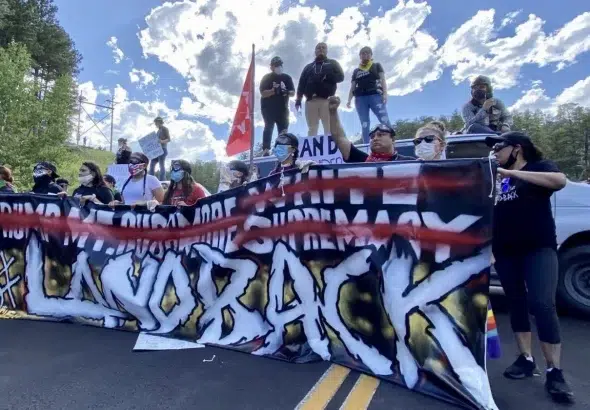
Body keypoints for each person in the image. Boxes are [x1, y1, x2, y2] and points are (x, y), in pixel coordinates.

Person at [488, 131, 573, 404]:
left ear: (517, 148)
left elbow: (560, 182)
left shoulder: (539, 168)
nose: (495, 153)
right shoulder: (500, 181)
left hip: (538, 248)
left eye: (499, 147)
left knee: (542, 304)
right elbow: (496, 213)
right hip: (505, 252)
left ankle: (554, 370)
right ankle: (525, 359)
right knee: (516, 302)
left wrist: (513, 174)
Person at [327, 96, 412, 163]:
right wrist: (333, 112)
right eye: (372, 137)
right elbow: (340, 138)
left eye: (380, 135)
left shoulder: (410, 162)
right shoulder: (362, 160)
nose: (374, 138)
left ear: (393, 140)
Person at [295, 42, 344, 136]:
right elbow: (301, 84)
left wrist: (327, 76)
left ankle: (330, 149)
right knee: (312, 128)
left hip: (327, 100)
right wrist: (298, 100)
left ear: (326, 50)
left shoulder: (332, 63)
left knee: (329, 127)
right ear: (315, 51)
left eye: (323, 47)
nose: (321, 49)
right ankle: (312, 150)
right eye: (318, 48)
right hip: (311, 101)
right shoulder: (308, 67)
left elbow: (341, 77)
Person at [346, 46, 391, 144]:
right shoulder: (356, 71)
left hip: (375, 95)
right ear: (360, 56)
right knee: (365, 123)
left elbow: (383, 80)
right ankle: (366, 145)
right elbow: (353, 86)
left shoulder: (376, 65)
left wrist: (385, 94)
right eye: (362, 53)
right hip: (360, 98)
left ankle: (390, 142)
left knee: (384, 120)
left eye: (367, 53)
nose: (365, 55)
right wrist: (349, 100)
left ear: (371, 55)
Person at [260, 56, 295, 155]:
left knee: (283, 130)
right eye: (276, 65)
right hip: (268, 109)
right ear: (271, 67)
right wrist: (273, 90)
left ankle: (282, 150)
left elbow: (293, 92)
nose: (278, 67)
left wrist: (286, 91)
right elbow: (263, 93)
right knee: (268, 127)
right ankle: (266, 150)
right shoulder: (266, 78)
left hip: (282, 109)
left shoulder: (287, 78)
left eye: (280, 65)